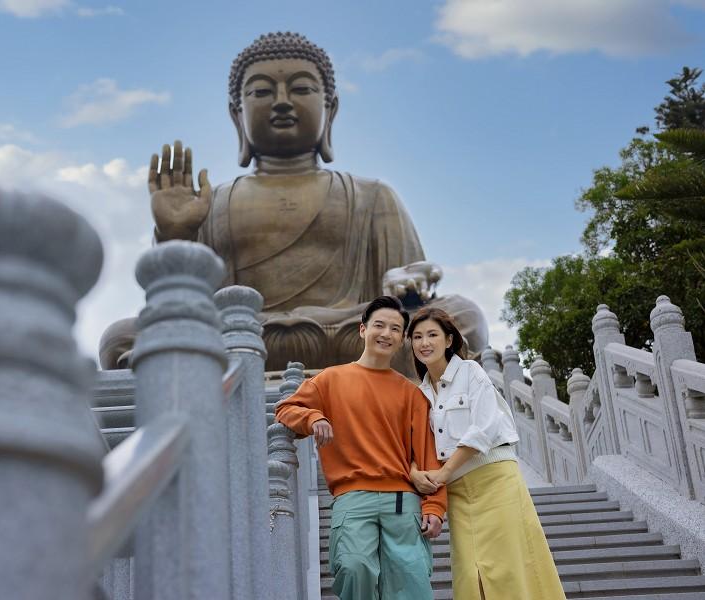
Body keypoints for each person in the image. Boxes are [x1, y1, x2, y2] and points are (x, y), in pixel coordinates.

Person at [99, 31, 488, 375]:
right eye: (262, 92)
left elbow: (408, 290)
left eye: (301, 89)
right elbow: (186, 304)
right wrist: (175, 235)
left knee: (463, 317)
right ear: (238, 115)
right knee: (119, 338)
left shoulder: (372, 195)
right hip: (245, 333)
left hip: (350, 333)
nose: (282, 102)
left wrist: (406, 283)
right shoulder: (212, 202)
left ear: (329, 110)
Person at [275, 296, 446, 600]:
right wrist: (313, 416)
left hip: (402, 501)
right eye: (379, 325)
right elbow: (286, 409)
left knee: (410, 580)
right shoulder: (330, 379)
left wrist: (434, 505)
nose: (386, 334)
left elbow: (428, 455)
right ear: (362, 329)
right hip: (352, 498)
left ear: (402, 339)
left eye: (395, 329)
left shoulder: (412, 394)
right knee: (354, 568)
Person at [407, 307, 565, 600]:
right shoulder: (420, 392)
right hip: (456, 492)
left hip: (495, 481)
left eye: (432, 335)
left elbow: (484, 427)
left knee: (509, 569)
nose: (424, 343)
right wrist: (416, 472)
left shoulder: (470, 372)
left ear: (449, 340)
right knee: (469, 574)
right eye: (417, 337)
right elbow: (416, 443)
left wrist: (442, 473)